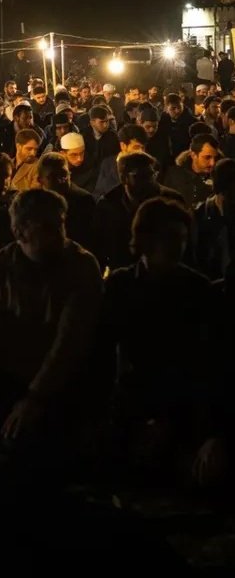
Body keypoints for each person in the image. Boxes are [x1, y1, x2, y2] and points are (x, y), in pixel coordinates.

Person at [0, 189, 103, 454]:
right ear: (19, 232)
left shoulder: (81, 266)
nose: (59, 234)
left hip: (63, 381)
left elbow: (69, 340)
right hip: (11, 373)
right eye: (47, 227)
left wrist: (35, 397)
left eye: (60, 224)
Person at [102, 197, 224, 485]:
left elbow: (206, 364)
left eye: (181, 239)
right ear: (145, 239)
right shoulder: (121, 285)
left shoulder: (197, 290)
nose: (177, 247)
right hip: (131, 402)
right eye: (169, 238)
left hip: (183, 407)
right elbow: (102, 350)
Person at [93, 124, 148, 199]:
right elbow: (98, 193)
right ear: (123, 146)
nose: (141, 152)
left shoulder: (147, 165)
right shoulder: (107, 164)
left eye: (143, 147)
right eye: (136, 147)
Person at [163, 133, 219, 208]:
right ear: (193, 155)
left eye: (215, 158)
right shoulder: (174, 176)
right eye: (207, 157)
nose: (212, 163)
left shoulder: (220, 177)